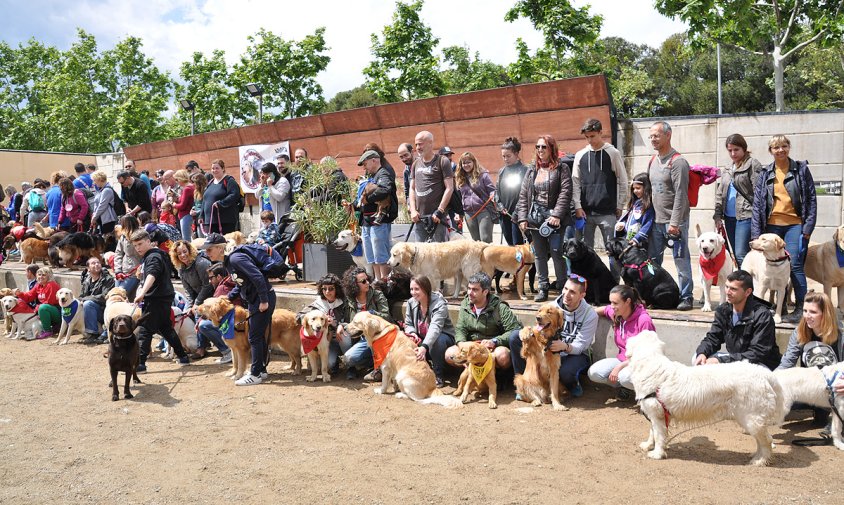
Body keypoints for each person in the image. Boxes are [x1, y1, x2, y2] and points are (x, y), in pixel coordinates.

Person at [751, 134, 817, 323]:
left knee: (795, 265)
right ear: (770, 151)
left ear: (789, 147)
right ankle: (766, 309)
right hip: (771, 226)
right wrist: (757, 236)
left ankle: (801, 308)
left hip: (795, 225)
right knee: (768, 268)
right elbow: (757, 205)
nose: (780, 150)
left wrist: (808, 227)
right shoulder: (765, 173)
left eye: (784, 146)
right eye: (776, 147)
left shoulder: (801, 170)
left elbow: (811, 199)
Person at [201, 233, 275, 386]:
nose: (206, 253)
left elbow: (258, 277)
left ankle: (254, 374)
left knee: (254, 337)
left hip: (261, 299)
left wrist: (263, 300)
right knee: (258, 336)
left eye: (209, 250)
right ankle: (260, 370)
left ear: (221, 249)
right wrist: (228, 297)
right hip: (255, 299)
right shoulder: (228, 263)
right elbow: (241, 283)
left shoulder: (235, 259)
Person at [510, 275, 597, 398]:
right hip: (551, 349)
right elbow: (539, 329)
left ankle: (572, 384)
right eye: (565, 289)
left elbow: (582, 345)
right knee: (515, 338)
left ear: (582, 295)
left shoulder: (590, 314)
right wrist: (526, 333)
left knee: (564, 372)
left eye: (572, 292)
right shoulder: (551, 307)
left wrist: (565, 346)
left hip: (575, 353)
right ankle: (525, 386)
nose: (566, 294)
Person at [516, 135, 573, 302]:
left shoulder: (562, 169)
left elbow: (565, 193)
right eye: (538, 147)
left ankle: (563, 287)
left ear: (551, 149)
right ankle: (543, 288)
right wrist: (522, 218)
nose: (540, 150)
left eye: (544, 147)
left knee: (556, 253)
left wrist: (556, 215)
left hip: (555, 219)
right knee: (539, 255)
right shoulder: (531, 170)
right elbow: (523, 195)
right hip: (535, 219)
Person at [572, 119, 627, 283]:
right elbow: (575, 181)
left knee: (612, 251)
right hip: (585, 212)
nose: (590, 140)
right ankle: (585, 285)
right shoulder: (580, 155)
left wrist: (620, 204)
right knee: (585, 252)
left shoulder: (613, 152)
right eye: (587, 137)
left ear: (601, 132)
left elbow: (623, 180)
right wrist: (577, 205)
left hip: (608, 211)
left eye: (593, 136)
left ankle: (615, 285)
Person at [647, 121, 694, 311]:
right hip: (656, 222)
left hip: (675, 222)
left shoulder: (678, 162)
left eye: (657, 135)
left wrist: (675, 223)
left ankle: (686, 296)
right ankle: (654, 296)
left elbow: (681, 195)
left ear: (668, 135)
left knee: (681, 261)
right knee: (652, 262)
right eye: (651, 136)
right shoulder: (653, 160)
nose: (653, 139)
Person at [693, 270, 781, 370]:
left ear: (748, 292)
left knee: (720, 365)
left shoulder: (762, 315)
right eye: (726, 287)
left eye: (733, 289)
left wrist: (722, 361)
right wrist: (702, 353)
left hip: (760, 365)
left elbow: (757, 353)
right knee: (697, 359)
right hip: (736, 361)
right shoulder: (723, 310)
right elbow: (713, 338)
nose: (727, 292)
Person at [132, 230, 191, 371]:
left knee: (145, 330)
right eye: (135, 245)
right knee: (165, 328)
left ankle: (141, 363)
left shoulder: (153, 257)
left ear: (148, 241)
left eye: (140, 244)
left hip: (156, 298)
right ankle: (183, 357)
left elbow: (152, 274)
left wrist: (142, 293)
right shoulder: (154, 255)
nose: (138, 248)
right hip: (162, 296)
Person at [587, 285, 655, 399]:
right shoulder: (618, 313)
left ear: (627, 302)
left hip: (641, 363)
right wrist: (587, 316)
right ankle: (626, 387)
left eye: (615, 303)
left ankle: (649, 393)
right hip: (622, 359)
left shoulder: (644, 320)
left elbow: (646, 354)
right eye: (611, 302)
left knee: (624, 377)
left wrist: (619, 367)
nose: (612, 306)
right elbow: (603, 309)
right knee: (594, 373)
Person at [444, 272, 521, 371]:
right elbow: (460, 328)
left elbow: (514, 330)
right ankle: (471, 373)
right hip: (472, 345)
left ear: (485, 292)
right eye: (469, 288)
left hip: (493, 346)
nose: (469, 293)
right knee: (449, 354)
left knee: (502, 356)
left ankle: (500, 378)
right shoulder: (465, 304)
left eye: (475, 290)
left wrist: (495, 341)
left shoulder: (500, 307)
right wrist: (461, 343)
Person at [343, 150, 397, 281]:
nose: (364, 167)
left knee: (381, 256)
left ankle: (384, 282)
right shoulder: (372, 175)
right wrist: (353, 205)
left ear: (374, 160)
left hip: (378, 221)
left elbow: (385, 190)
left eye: (365, 163)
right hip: (367, 221)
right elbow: (362, 198)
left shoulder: (383, 173)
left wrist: (368, 199)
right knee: (372, 256)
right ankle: (378, 281)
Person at [713, 134, 763, 266]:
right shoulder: (728, 168)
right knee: (735, 254)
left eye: (736, 149)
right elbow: (720, 194)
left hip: (746, 215)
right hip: (729, 217)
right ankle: (742, 284)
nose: (733, 153)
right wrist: (717, 216)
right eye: (730, 150)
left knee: (742, 254)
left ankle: (749, 285)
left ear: (744, 148)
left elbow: (759, 192)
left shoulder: (752, 164)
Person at [335, 267, 391, 380]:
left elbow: (387, 316)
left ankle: (376, 367)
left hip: (375, 335)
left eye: (367, 279)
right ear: (354, 285)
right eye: (363, 281)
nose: (368, 283)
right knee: (347, 356)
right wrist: (341, 325)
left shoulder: (377, 295)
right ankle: (353, 368)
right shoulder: (349, 299)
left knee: (355, 355)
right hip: (358, 336)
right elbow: (346, 320)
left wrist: (370, 314)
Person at [404, 275, 456, 388]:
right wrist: (412, 333)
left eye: (417, 289)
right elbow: (408, 324)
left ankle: (438, 375)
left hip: (443, 339)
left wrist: (424, 346)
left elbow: (435, 328)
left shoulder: (439, 304)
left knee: (437, 340)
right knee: (407, 339)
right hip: (423, 339)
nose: (413, 292)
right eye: (411, 289)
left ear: (426, 288)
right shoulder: (411, 302)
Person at [408, 131, 455, 243]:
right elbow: (412, 188)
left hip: (437, 218)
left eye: (420, 144)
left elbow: (450, 188)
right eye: (416, 145)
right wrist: (413, 210)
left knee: (439, 255)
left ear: (430, 143)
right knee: (420, 254)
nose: (418, 147)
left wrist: (440, 210)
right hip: (419, 218)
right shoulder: (415, 164)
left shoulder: (442, 161)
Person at [170, 240, 214, 359]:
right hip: (197, 297)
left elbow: (207, 286)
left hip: (211, 295)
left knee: (196, 314)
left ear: (190, 251)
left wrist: (196, 304)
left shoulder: (201, 264)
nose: (183, 255)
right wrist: (189, 306)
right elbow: (188, 291)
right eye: (179, 253)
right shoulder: (181, 269)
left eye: (185, 251)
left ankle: (201, 348)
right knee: (185, 313)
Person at [297, 274, 348, 374]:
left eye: (331, 288)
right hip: (326, 341)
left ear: (337, 289)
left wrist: (335, 324)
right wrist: (313, 318)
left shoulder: (344, 303)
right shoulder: (317, 304)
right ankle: (335, 363)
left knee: (344, 338)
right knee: (329, 364)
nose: (327, 292)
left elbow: (350, 321)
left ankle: (351, 368)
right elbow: (299, 317)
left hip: (342, 338)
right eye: (324, 289)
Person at [778, 291, 842, 370]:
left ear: (825, 314)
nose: (807, 316)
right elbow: (787, 363)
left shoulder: (841, 334)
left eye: (813, 312)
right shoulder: (799, 332)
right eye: (805, 311)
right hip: (809, 380)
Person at [195, 263, 235, 364]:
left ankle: (228, 351)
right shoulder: (228, 283)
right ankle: (202, 347)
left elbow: (216, 313)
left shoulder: (222, 288)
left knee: (203, 325)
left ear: (219, 277)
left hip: (231, 322)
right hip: (233, 320)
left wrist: (200, 320)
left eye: (211, 278)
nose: (209, 281)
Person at [454, 152, 496, 243]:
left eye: (468, 162)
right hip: (468, 213)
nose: (466, 165)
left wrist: (493, 196)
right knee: (476, 241)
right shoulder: (460, 178)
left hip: (483, 210)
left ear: (474, 162)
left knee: (485, 239)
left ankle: (488, 257)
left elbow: (492, 189)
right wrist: (459, 214)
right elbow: (459, 197)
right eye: (463, 163)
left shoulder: (483, 175)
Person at [495, 137, 528, 246]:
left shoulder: (524, 170)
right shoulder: (501, 171)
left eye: (508, 156)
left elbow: (525, 194)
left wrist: (516, 212)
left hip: (518, 215)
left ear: (517, 154)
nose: (505, 159)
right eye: (503, 156)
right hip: (504, 215)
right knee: (510, 245)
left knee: (518, 245)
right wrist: (500, 206)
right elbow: (497, 192)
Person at [12, 266, 61, 340]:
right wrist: (19, 294)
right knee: (21, 302)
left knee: (43, 308)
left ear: (49, 276)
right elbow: (29, 296)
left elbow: (50, 301)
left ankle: (47, 330)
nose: (41, 277)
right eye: (39, 275)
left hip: (56, 311)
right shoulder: (38, 285)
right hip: (44, 309)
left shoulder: (52, 285)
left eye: (43, 275)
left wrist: (37, 308)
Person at [79, 257, 115, 344]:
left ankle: (92, 334)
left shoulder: (108, 279)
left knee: (88, 304)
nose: (97, 264)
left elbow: (104, 297)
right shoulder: (87, 280)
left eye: (98, 262)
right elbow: (81, 296)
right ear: (88, 268)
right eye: (93, 263)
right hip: (91, 311)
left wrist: (86, 299)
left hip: (104, 311)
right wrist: (81, 300)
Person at [200, 159, 241, 235]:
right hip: (210, 221)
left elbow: (234, 195)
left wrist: (221, 203)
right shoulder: (210, 182)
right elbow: (205, 200)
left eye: (217, 168)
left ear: (223, 169)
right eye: (213, 168)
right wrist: (201, 215)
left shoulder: (229, 181)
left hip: (225, 220)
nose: (214, 170)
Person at [615, 173, 655, 247]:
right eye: (633, 188)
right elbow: (629, 220)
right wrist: (622, 224)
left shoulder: (648, 206)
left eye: (638, 188)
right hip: (629, 240)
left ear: (646, 188)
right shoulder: (635, 204)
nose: (635, 191)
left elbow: (647, 224)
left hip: (640, 242)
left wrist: (637, 238)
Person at [114, 215, 143, 300]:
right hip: (123, 271)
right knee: (116, 294)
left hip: (135, 273)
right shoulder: (123, 237)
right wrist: (118, 270)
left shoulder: (141, 235)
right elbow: (118, 253)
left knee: (120, 296)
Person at [172, 169, 195, 240]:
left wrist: (174, 205)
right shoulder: (191, 186)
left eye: (177, 179)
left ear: (180, 178)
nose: (176, 182)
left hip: (186, 216)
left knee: (186, 239)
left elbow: (182, 206)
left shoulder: (186, 189)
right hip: (189, 215)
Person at [189, 172, 207, 237]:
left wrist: (197, 212)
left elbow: (206, 206)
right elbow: (195, 204)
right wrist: (192, 209)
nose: (192, 184)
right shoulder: (195, 192)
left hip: (204, 219)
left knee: (204, 238)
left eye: (193, 182)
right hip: (196, 219)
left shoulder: (206, 191)